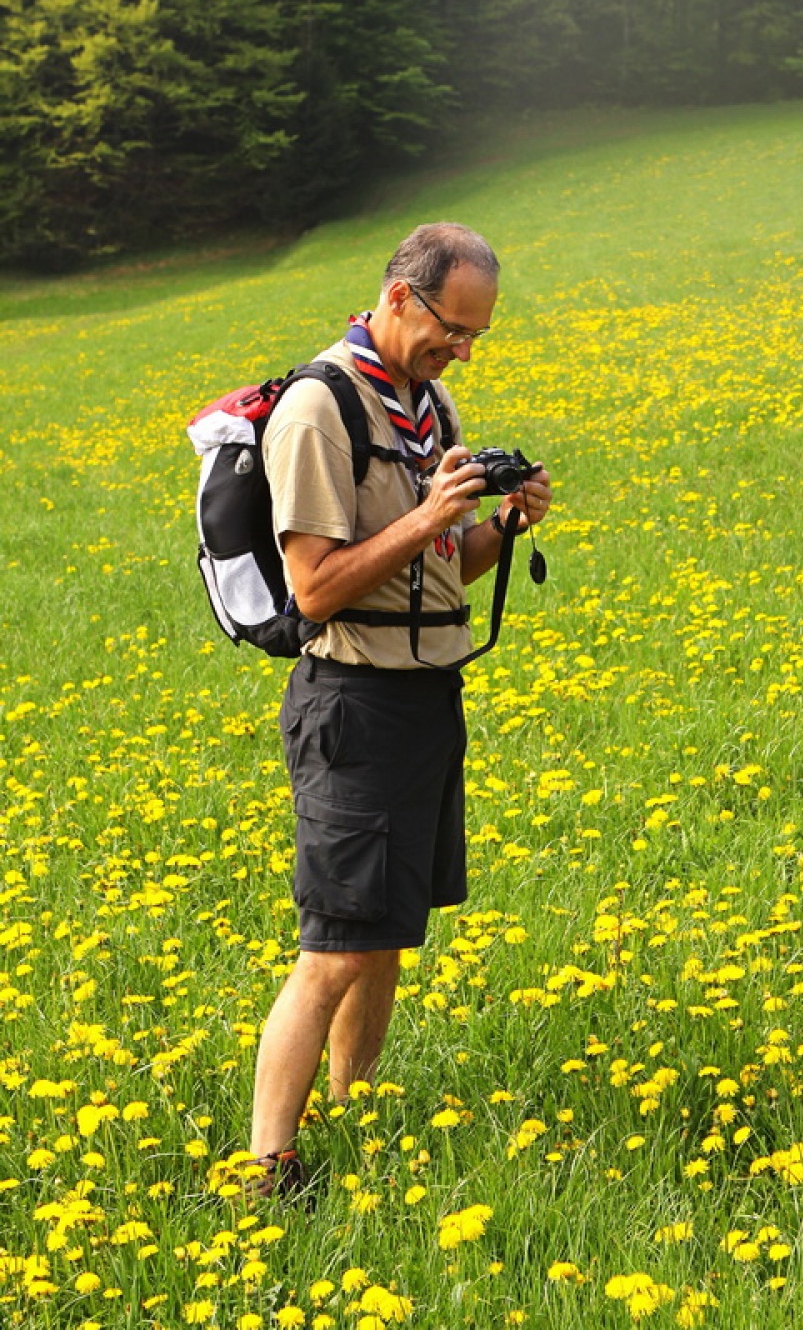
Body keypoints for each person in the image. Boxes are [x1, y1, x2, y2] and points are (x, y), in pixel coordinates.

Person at [247, 222, 552, 1196]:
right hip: (353, 703)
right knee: (333, 943)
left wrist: (499, 526)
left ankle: (357, 1116)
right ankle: (269, 1167)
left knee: (384, 932)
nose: (461, 350)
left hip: (426, 696)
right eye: (451, 329)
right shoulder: (317, 409)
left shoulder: (428, 406)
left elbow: (439, 569)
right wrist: (425, 516)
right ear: (397, 297)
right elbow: (315, 591)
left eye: (474, 337)